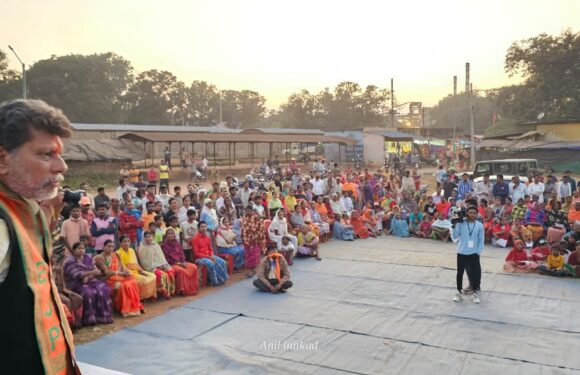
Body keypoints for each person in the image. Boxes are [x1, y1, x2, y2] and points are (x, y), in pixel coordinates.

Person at [0, 99, 79, 373]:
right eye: (46, 155)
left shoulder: (26, 206)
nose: (61, 166)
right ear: (2, 160)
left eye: (59, 154)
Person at [63, 242, 113, 325]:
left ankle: (102, 317)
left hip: (90, 280)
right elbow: (76, 275)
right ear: (74, 250)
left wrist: (87, 276)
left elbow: (97, 272)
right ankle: (90, 319)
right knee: (88, 293)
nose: (81, 250)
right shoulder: (69, 261)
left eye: (83, 248)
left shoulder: (88, 258)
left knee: (103, 289)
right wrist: (90, 273)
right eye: (79, 248)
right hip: (76, 283)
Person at [94, 240, 143, 317]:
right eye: (108, 246)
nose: (110, 248)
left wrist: (127, 272)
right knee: (124, 285)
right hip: (107, 279)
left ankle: (133, 307)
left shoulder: (116, 255)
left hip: (118, 276)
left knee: (132, 280)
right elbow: (106, 272)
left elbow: (122, 267)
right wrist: (120, 273)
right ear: (103, 247)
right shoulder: (99, 258)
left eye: (112, 247)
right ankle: (123, 308)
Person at [452, 206, 484, 304]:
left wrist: (477, 252)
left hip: (473, 253)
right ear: (467, 213)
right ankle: (459, 292)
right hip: (461, 252)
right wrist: (454, 225)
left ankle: (474, 293)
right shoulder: (461, 223)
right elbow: (455, 236)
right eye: (470, 212)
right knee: (460, 272)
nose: (472, 214)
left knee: (474, 273)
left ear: (477, 214)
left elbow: (481, 240)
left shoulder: (479, 225)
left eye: (474, 213)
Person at [117, 235, 157, 300]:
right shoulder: (118, 253)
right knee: (144, 279)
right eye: (124, 241)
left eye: (128, 241)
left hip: (136, 270)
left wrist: (141, 270)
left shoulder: (132, 250)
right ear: (120, 243)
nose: (127, 243)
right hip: (128, 273)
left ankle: (150, 295)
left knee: (153, 276)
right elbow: (122, 266)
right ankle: (140, 298)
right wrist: (130, 272)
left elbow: (135, 262)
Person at [161, 228, 199, 296]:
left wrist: (182, 262)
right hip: (172, 263)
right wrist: (177, 263)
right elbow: (165, 258)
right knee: (182, 271)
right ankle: (182, 290)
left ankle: (193, 288)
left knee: (194, 267)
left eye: (172, 233)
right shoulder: (164, 246)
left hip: (181, 262)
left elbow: (182, 254)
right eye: (169, 234)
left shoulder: (177, 244)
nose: (171, 235)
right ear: (166, 235)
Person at [138, 231, 176, 298]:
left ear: (152, 237)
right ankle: (164, 293)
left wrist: (162, 265)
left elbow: (161, 256)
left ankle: (171, 291)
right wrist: (157, 266)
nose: (148, 238)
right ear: (144, 238)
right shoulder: (142, 248)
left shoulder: (156, 244)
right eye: (146, 237)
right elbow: (144, 262)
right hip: (150, 267)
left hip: (161, 264)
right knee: (162, 275)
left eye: (150, 236)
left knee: (170, 271)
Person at [192, 221, 228, 286]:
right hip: (199, 258)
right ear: (198, 228)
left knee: (222, 262)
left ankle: (223, 279)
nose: (203, 228)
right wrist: (209, 257)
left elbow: (210, 249)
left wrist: (211, 256)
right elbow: (196, 253)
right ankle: (215, 282)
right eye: (202, 227)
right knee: (211, 264)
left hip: (209, 256)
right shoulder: (195, 239)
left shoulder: (207, 238)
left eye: (205, 227)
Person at [241, 205, 266, 277]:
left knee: (254, 254)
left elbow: (261, 229)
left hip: (254, 239)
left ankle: (252, 270)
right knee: (247, 254)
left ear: (251, 211)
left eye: (248, 211)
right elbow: (243, 228)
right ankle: (251, 269)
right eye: (246, 211)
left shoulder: (256, 218)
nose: (247, 212)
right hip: (246, 239)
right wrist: (243, 236)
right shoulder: (244, 217)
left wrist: (256, 238)